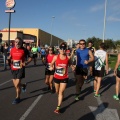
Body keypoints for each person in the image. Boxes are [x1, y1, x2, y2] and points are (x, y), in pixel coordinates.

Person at [49, 42, 71, 114]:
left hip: (64, 77)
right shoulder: (56, 57)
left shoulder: (68, 57)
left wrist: (73, 67)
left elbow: (70, 64)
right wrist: (51, 67)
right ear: (59, 49)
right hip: (56, 77)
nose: (63, 50)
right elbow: (51, 63)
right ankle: (61, 96)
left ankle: (58, 108)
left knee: (61, 92)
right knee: (57, 92)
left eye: (64, 49)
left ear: (66, 49)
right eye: (61, 48)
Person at [8, 37, 32, 104]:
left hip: (20, 68)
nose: (17, 43)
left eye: (19, 42)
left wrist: (26, 62)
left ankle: (17, 97)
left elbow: (31, 57)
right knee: (16, 85)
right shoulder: (12, 50)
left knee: (17, 84)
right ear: (14, 43)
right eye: (16, 42)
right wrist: (9, 59)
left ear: (21, 43)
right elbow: (10, 57)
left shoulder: (24, 50)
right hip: (13, 68)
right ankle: (23, 85)